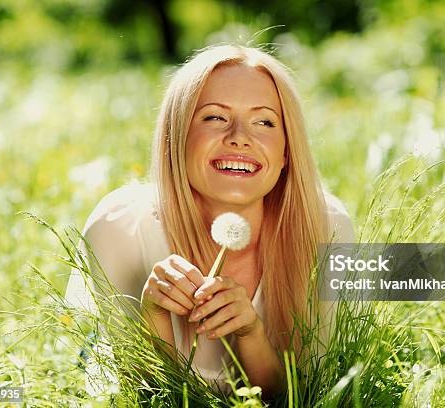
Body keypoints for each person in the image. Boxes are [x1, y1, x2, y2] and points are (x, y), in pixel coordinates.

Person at [65, 43, 356, 399]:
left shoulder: (328, 229)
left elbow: (314, 393)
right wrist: (154, 317)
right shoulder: (119, 229)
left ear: (286, 153)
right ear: (177, 138)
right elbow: (142, 397)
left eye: (264, 121)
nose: (239, 137)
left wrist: (251, 335)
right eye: (215, 117)